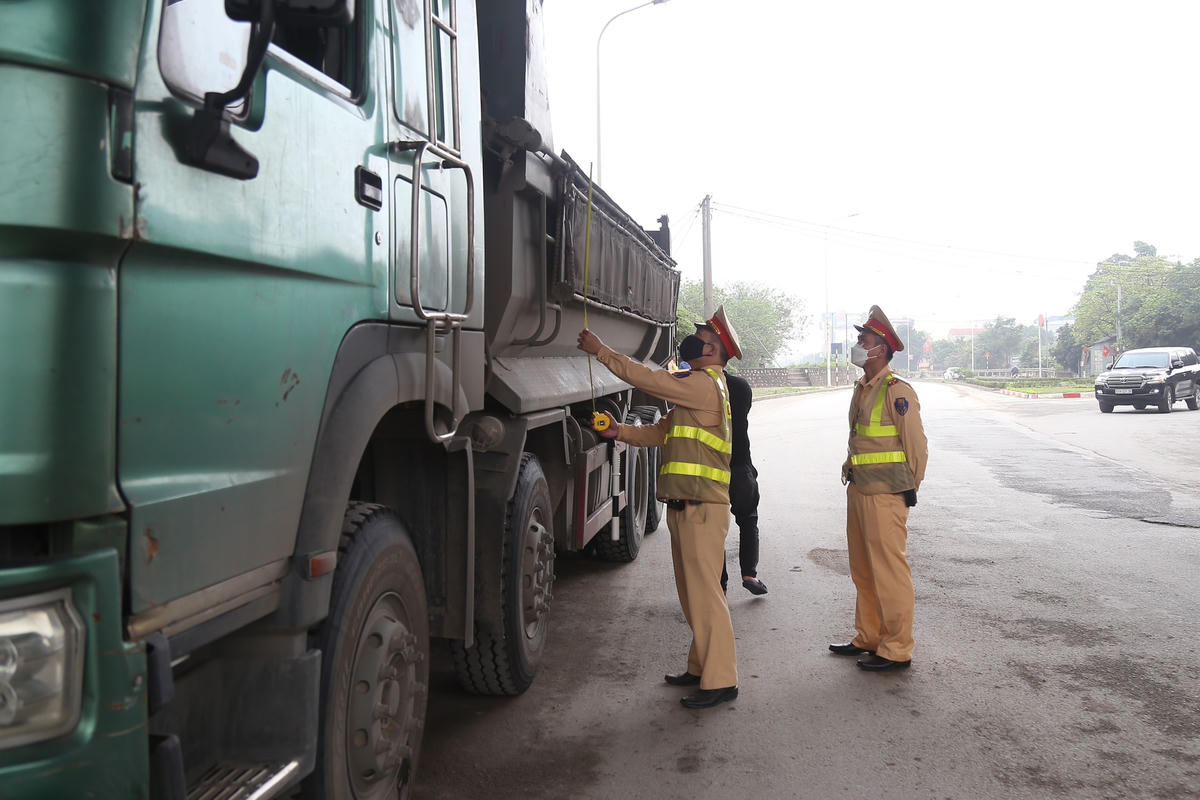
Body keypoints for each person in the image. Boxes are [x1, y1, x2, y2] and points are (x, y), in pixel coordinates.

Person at [577, 305, 743, 709]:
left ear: (715, 349)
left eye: (703, 337)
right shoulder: (697, 391)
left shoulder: (704, 384)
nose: (695, 339)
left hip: (703, 506)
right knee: (693, 594)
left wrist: (601, 351)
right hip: (687, 505)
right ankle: (701, 665)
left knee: (706, 595)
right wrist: (620, 431)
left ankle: (722, 679)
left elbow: (648, 378)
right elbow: (660, 432)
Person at [829, 305, 928, 672]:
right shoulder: (862, 387)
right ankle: (868, 636)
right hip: (859, 490)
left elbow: (915, 445)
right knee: (864, 570)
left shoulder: (896, 390)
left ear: (881, 349)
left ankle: (897, 647)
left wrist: (909, 487)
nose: (857, 345)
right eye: (858, 339)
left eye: (863, 340)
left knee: (889, 572)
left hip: (886, 495)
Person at [719, 369, 767, 596]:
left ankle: (720, 583)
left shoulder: (699, 387)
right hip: (741, 465)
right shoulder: (740, 386)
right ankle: (750, 574)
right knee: (748, 520)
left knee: (714, 528)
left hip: (712, 469)